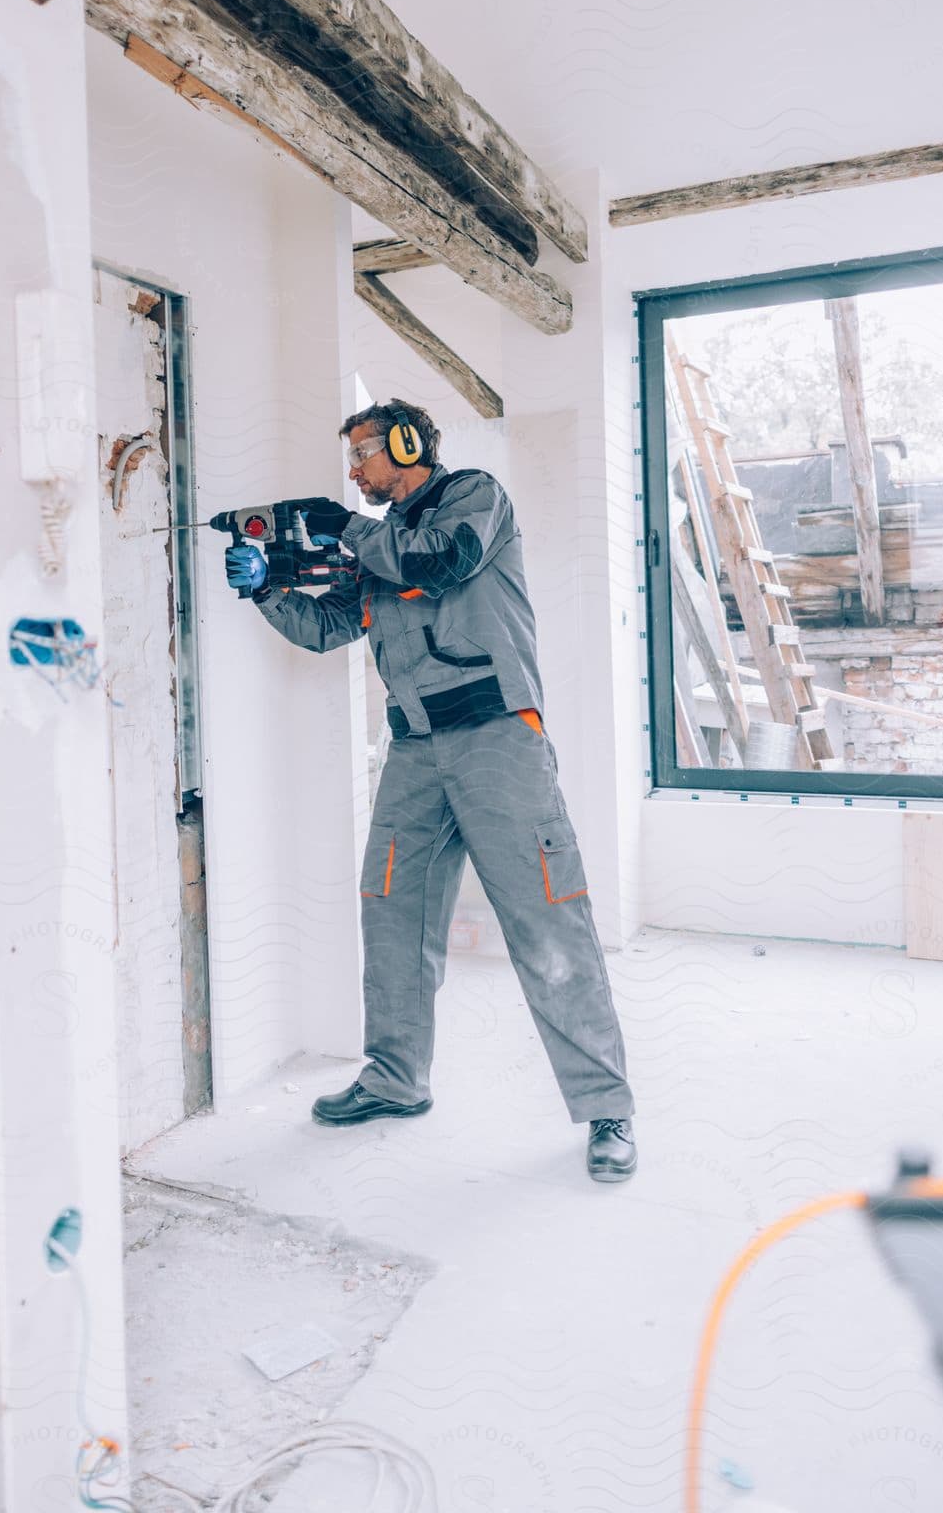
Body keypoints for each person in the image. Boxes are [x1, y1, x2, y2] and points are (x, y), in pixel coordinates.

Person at [223, 399, 636, 1182]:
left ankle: (606, 1108)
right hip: (413, 750)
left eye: (363, 455)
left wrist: (342, 526)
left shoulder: (474, 500)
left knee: (547, 923)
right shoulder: (375, 547)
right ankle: (394, 1079)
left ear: (408, 445)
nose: (352, 471)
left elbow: (434, 561)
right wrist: (265, 589)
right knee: (391, 910)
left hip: (496, 742)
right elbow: (326, 629)